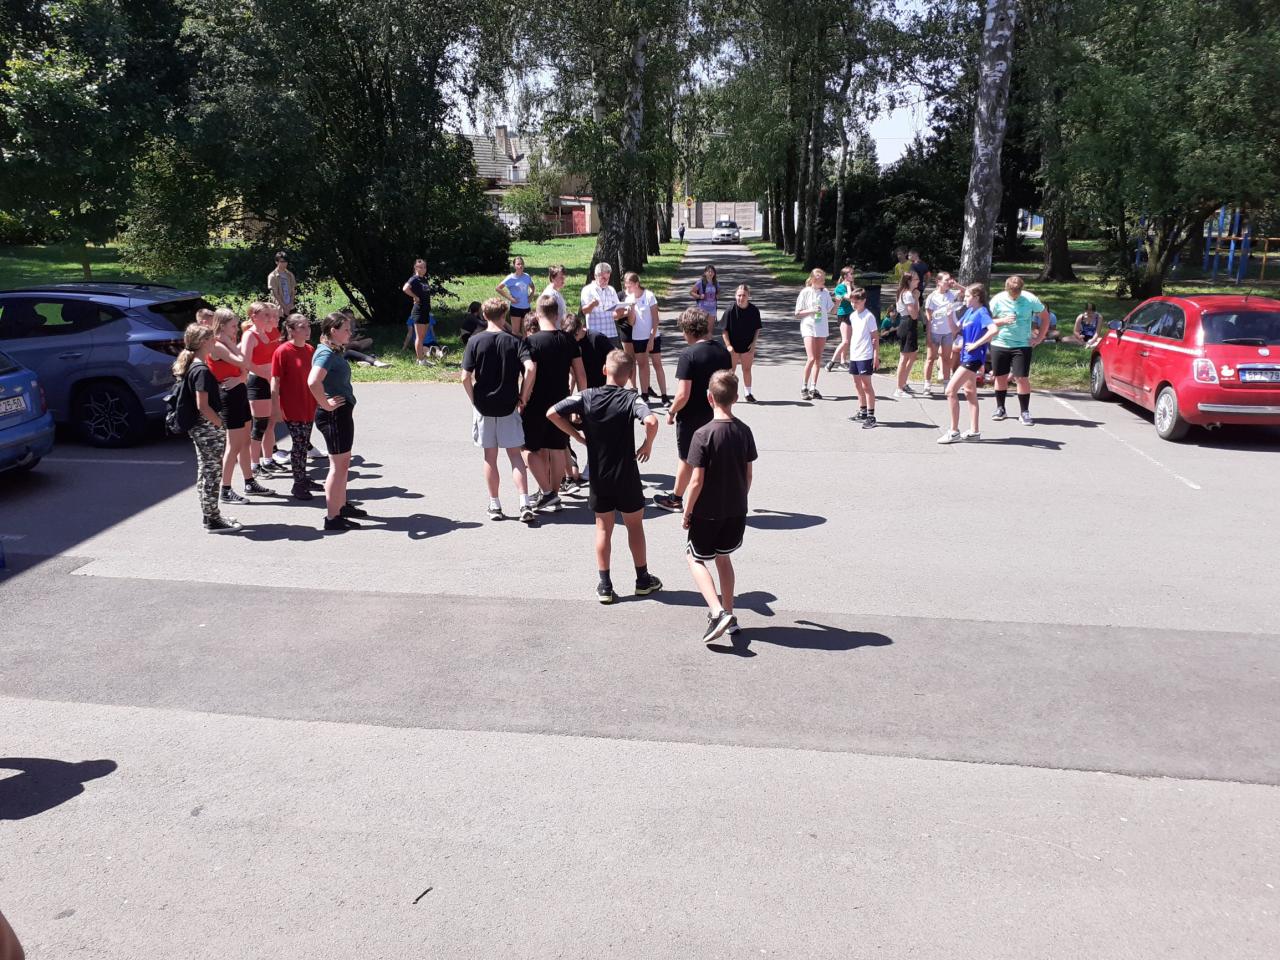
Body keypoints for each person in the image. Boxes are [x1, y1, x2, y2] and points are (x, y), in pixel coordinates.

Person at [547, 350, 663, 604]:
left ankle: (605, 585)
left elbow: (552, 412)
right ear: (629, 374)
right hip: (627, 474)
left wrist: (577, 437)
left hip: (600, 476)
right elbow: (652, 421)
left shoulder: (586, 396)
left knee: (603, 528)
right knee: (635, 526)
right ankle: (643, 579)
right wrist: (647, 445)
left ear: (604, 370)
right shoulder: (631, 398)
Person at [682, 370, 757, 644]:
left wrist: (687, 510)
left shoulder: (702, 434)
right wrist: (739, 498)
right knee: (723, 559)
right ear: (736, 398)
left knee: (694, 558)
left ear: (709, 398)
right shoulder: (744, 431)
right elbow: (748, 475)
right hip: (736, 510)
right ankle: (730, 615)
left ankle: (717, 611)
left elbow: (696, 481)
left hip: (707, 512)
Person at [462, 297, 537, 523]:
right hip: (508, 404)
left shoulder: (475, 341)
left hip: (484, 405)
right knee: (515, 456)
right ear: (504, 315)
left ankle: (495, 504)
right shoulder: (515, 340)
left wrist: (473, 399)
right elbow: (530, 368)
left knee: (490, 457)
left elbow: (465, 377)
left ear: (484, 316)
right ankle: (524, 502)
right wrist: (523, 395)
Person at [653, 308, 731, 514]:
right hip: (716, 414)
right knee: (713, 458)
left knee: (687, 459)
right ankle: (715, 498)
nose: (682, 335)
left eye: (683, 331)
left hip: (691, 416)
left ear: (689, 331)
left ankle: (676, 499)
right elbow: (728, 383)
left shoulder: (689, 355)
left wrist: (671, 412)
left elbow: (683, 394)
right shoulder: (723, 352)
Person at [173, 324, 241, 534]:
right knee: (212, 472)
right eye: (212, 339)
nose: (215, 343)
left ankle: (210, 514)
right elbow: (202, 405)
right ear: (203, 342)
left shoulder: (193, 365)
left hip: (200, 428)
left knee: (206, 470)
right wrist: (219, 423)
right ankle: (212, 519)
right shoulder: (201, 370)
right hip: (207, 428)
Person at [522, 294, 586, 513]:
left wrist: (523, 398)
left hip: (536, 402)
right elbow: (581, 374)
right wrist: (581, 403)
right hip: (562, 401)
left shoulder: (531, 341)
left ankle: (547, 491)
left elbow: (530, 374)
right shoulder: (568, 340)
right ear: (557, 314)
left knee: (529, 447)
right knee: (557, 447)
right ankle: (553, 494)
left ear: (537, 314)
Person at [206, 307, 270, 504]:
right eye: (233, 326)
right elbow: (243, 361)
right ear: (222, 326)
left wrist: (241, 378)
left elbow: (244, 369)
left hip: (239, 391)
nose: (236, 329)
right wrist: (229, 344)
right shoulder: (218, 345)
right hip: (228, 397)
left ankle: (249, 481)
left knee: (245, 442)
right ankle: (225, 489)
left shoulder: (229, 343)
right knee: (233, 445)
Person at [309, 312, 365, 531]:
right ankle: (332, 517)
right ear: (333, 331)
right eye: (346, 330)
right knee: (337, 466)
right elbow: (313, 381)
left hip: (340, 413)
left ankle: (341, 506)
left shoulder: (332, 350)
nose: (350, 333)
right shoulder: (325, 353)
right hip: (334, 415)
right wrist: (325, 403)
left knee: (343, 463)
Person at [938, 284, 1009, 444]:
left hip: (973, 358)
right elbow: (955, 330)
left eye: (968, 296)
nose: (964, 299)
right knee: (970, 392)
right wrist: (949, 315)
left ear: (977, 297)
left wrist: (976, 344)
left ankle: (953, 431)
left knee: (950, 391)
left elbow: (993, 330)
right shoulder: (969, 312)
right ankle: (974, 431)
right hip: (966, 356)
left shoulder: (982, 312)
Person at [988, 275, 1050, 425]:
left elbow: (1045, 317)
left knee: (1021, 378)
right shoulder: (997, 299)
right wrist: (1002, 321)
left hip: (1022, 344)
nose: (1014, 296)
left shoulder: (1030, 299)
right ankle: (1000, 408)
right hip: (1000, 343)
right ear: (1006, 289)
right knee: (1000, 377)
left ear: (1022, 289)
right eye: (1012, 293)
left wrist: (1039, 338)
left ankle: (1024, 412)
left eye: (1017, 293)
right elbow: (986, 320)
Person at [272, 313, 320, 499]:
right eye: (302, 327)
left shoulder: (309, 349)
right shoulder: (282, 351)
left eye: (308, 326)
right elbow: (275, 382)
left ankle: (303, 478)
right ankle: (298, 484)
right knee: (299, 444)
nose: (308, 330)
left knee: (304, 442)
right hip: (292, 406)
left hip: (308, 403)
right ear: (290, 330)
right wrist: (276, 408)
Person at [239, 301, 287, 478]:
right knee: (259, 425)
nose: (269, 318)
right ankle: (254, 464)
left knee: (271, 423)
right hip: (258, 382)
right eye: (265, 315)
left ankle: (268, 460)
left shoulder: (266, 332)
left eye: (270, 315)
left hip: (270, 381)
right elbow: (245, 361)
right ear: (254, 317)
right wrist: (264, 374)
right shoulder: (250, 335)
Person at [793, 267, 833, 399]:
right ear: (813, 279)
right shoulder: (805, 292)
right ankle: (804, 386)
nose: (822, 280)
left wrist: (838, 302)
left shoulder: (825, 293)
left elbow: (832, 310)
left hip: (821, 327)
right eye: (819, 278)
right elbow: (797, 313)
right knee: (811, 358)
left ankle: (813, 387)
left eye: (823, 278)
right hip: (808, 326)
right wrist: (812, 310)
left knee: (818, 359)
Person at [621, 271, 661, 398]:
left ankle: (662, 394)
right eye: (626, 286)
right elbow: (631, 322)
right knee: (640, 363)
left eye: (629, 285)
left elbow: (655, 319)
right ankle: (641, 392)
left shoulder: (648, 295)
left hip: (651, 335)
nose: (627, 288)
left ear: (637, 284)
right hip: (636, 336)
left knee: (656, 363)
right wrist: (630, 309)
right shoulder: (628, 298)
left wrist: (652, 337)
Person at [721, 283, 762, 403]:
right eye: (739, 295)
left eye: (744, 295)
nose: (741, 298)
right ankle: (728, 394)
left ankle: (748, 393)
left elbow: (757, 329)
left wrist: (754, 343)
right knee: (730, 371)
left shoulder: (754, 310)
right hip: (733, 346)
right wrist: (728, 345)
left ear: (748, 296)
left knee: (747, 369)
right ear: (735, 296)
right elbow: (724, 331)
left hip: (747, 346)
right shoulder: (730, 310)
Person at [845, 288, 880, 428]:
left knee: (866, 385)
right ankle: (862, 411)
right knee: (857, 383)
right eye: (852, 302)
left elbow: (875, 337)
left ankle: (871, 416)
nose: (854, 304)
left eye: (857, 302)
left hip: (865, 354)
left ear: (864, 301)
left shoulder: (869, 317)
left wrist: (876, 356)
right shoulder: (853, 316)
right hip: (855, 354)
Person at [924, 272, 961, 393]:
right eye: (946, 280)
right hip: (935, 331)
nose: (949, 282)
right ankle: (927, 384)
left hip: (948, 332)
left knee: (946, 359)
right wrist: (928, 335)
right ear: (938, 282)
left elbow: (967, 292)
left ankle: (946, 383)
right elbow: (928, 318)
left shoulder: (951, 294)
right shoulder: (932, 297)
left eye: (950, 279)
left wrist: (957, 285)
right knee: (930, 358)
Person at [891, 271, 922, 399]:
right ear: (909, 281)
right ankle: (899, 388)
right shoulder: (907, 294)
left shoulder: (906, 292)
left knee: (913, 355)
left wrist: (916, 298)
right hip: (907, 324)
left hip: (909, 324)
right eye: (916, 279)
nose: (918, 281)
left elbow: (916, 312)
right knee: (904, 358)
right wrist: (916, 298)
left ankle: (903, 383)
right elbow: (914, 315)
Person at [580, 261, 626, 344]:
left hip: (611, 333)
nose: (606, 281)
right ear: (595, 276)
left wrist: (620, 312)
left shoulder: (611, 290)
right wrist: (592, 304)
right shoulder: (587, 290)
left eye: (608, 278)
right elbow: (585, 311)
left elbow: (615, 315)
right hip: (595, 334)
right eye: (603, 278)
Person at [402, 258, 433, 365]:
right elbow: (405, 288)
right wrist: (415, 296)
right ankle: (421, 360)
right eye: (421, 267)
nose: (423, 269)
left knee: (423, 336)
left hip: (426, 310)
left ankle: (420, 358)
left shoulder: (424, 279)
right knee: (419, 337)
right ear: (416, 268)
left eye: (424, 267)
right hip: (418, 311)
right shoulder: (414, 279)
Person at [827, 265, 857, 371]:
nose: (853, 275)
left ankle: (843, 362)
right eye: (851, 274)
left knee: (848, 340)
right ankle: (831, 362)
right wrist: (848, 287)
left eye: (853, 273)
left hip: (852, 315)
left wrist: (851, 286)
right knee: (845, 341)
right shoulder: (840, 288)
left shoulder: (852, 286)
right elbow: (849, 298)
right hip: (843, 314)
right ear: (845, 276)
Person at [497, 255, 537, 327]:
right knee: (516, 331)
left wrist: (531, 296)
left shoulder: (527, 276)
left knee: (526, 330)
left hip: (526, 307)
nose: (520, 266)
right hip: (516, 308)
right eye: (518, 264)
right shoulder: (510, 277)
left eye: (522, 264)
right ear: (514, 266)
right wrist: (511, 298)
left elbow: (532, 287)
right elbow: (498, 288)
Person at [268, 252, 297, 316]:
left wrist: (290, 304)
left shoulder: (290, 275)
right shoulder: (272, 276)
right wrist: (284, 307)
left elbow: (293, 291)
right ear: (276, 262)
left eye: (285, 262)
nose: (284, 264)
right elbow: (275, 294)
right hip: (279, 309)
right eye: (282, 262)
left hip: (291, 307)